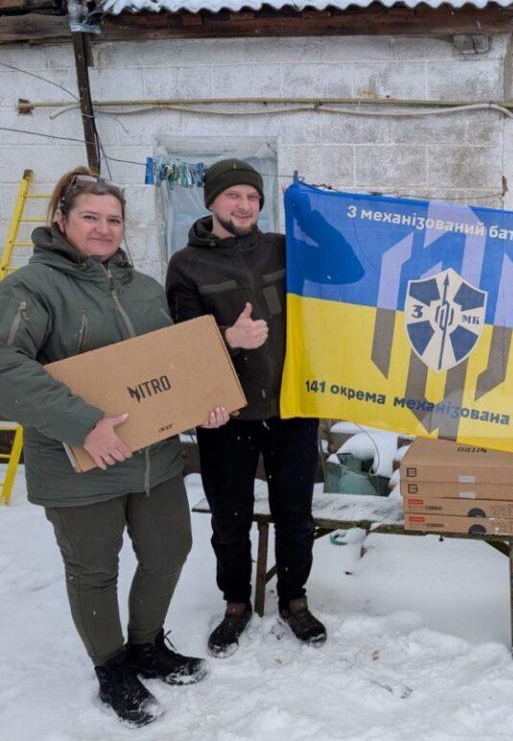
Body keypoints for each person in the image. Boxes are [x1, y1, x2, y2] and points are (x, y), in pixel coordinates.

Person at [0, 168, 229, 727]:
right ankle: (111, 669)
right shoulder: (30, 289)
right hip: (84, 464)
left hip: (154, 457)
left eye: (113, 219)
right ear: (61, 220)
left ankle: (147, 645)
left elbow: (172, 364)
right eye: (90, 217)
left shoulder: (143, 287)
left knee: (170, 550)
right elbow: (6, 367)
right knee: (94, 571)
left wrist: (205, 400)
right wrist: (83, 423)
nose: (104, 229)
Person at [165, 158, 324, 656]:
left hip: (291, 406)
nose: (245, 205)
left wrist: (322, 215)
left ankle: (294, 598)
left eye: (253, 197)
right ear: (211, 201)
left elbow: (348, 271)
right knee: (229, 520)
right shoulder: (187, 265)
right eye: (234, 196)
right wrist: (229, 338)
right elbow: (184, 346)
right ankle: (236, 603)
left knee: (295, 514)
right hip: (225, 414)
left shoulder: (283, 249)